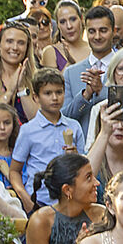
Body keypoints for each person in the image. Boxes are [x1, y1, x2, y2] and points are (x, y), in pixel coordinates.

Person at [12, 69, 84, 204]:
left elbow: (85, 165)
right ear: (36, 97)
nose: (55, 98)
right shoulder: (28, 130)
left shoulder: (74, 127)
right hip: (39, 200)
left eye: (59, 92)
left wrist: (77, 157)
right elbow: (15, 171)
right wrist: (26, 200)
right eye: (48, 93)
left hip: (70, 201)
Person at [61, 4, 120, 128]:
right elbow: (65, 118)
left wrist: (101, 91)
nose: (97, 37)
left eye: (103, 30)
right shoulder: (71, 73)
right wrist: (85, 95)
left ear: (114, 31)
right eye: (92, 31)